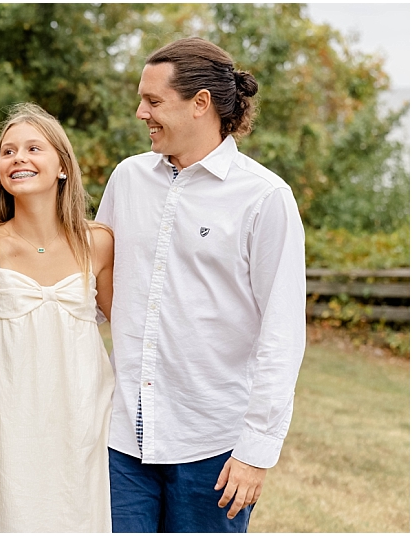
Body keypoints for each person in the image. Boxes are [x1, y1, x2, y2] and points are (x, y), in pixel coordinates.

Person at [95, 37, 306, 533]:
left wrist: (256, 451)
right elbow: (95, 286)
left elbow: (282, 334)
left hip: (213, 446)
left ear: (201, 104)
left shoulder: (265, 197)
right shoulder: (127, 179)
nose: (139, 111)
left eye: (153, 101)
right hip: (122, 437)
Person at [0, 103, 116, 532]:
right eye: (7, 153)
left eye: (33, 148)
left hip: (78, 412)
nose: (18, 159)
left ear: (62, 165)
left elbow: (130, 327)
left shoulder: (98, 243)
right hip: (0, 412)